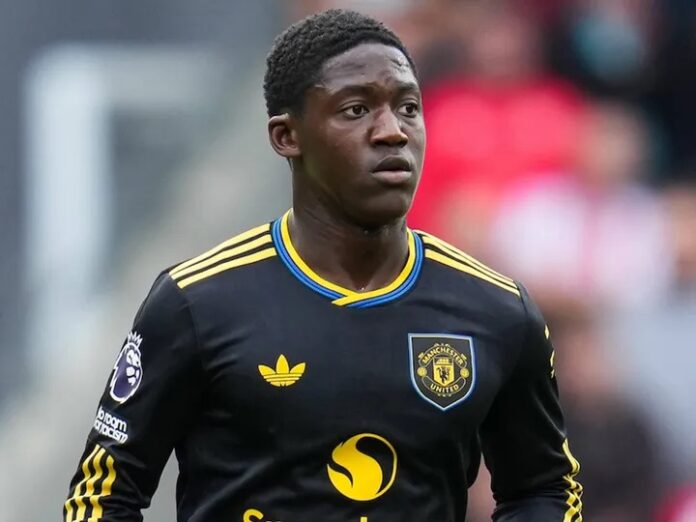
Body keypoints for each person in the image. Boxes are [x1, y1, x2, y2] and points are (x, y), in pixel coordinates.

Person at [63, 9, 582, 522]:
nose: (393, 131)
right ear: (287, 137)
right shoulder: (197, 303)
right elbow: (102, 497)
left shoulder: (496, 311)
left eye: (408, 107)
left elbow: (544, 489)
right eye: (356, 110)